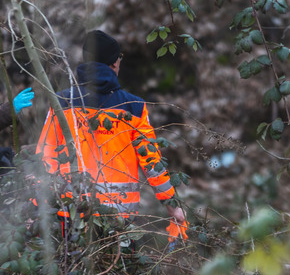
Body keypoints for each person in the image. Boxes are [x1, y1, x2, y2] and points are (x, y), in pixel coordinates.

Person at [35, 29, 185, 232]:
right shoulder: (134, 106)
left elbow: (45, 157)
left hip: (70, 215)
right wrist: (173, 208)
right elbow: (151, 161)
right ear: (115, 63)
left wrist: (36, 210)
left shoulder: (62, 102)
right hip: (119, 219)